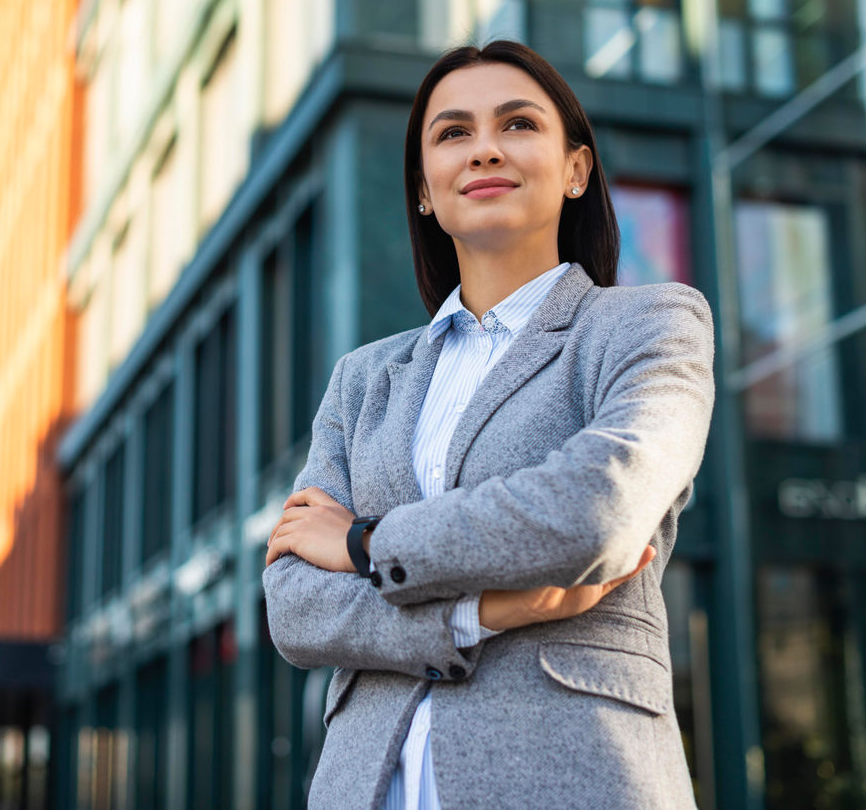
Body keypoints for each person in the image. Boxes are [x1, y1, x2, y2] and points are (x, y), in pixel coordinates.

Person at [262, 40, 714, 809]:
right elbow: (295, 608)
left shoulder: (649, 324)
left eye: (518, 124)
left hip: (575, 778)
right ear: (424, 193)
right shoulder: (363, 379)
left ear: (576, 169)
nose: (486, 150)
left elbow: (594, 513)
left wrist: (365, 543)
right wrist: (479, 612)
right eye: (453, 133)